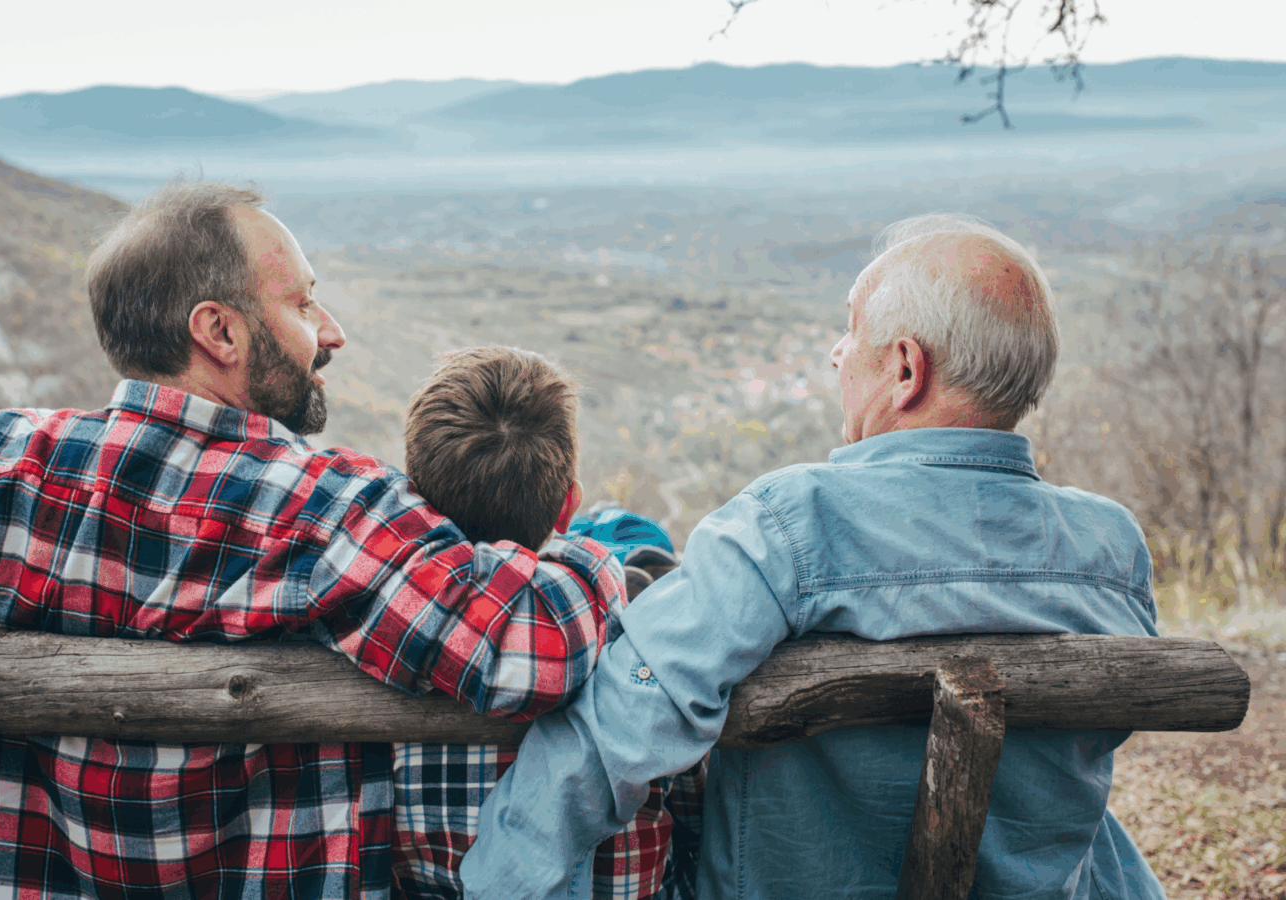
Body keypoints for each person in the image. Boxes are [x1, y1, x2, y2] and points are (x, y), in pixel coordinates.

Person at [0, 181, 627, 900]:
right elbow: (533, 646)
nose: (332, 333)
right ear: (219, 331)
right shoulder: (327, 509)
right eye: (304, 304)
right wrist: (592, 551)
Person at [460, 214, 1166, 900]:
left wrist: (498, 883)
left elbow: (617, 728)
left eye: (852, 332)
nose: (837, 354)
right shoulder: (1111, 549)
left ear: (906, 369)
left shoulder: (790, 526)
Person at [394, 346, 701, 900]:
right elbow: (697, 809)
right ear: (568, 505)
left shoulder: (386, 636)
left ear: (417, 503)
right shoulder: (636, 630)